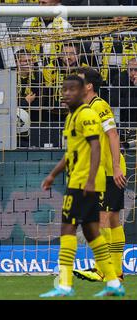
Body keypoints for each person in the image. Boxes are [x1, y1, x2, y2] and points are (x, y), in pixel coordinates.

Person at [40, 75, 124, 297]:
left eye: (71, 89)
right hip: (81, 178)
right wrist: (53, 175)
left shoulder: (91, 111)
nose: (66, 93)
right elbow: (73, 152)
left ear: (85, 89)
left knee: (81, 225)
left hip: (91, 178)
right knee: (92, 229)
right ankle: (112, 278)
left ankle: (73, 282)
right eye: (64, 89)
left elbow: (103, 141)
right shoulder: (73, 116)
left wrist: (109, 170)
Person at [72, 67, 127, 283]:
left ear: (89, 86)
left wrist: (114, 167)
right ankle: (117, 272)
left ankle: (102, 269)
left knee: (102, 219)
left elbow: (113, 134)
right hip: (102, 171)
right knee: (112, 219)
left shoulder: (99, 105)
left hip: (108, 171)